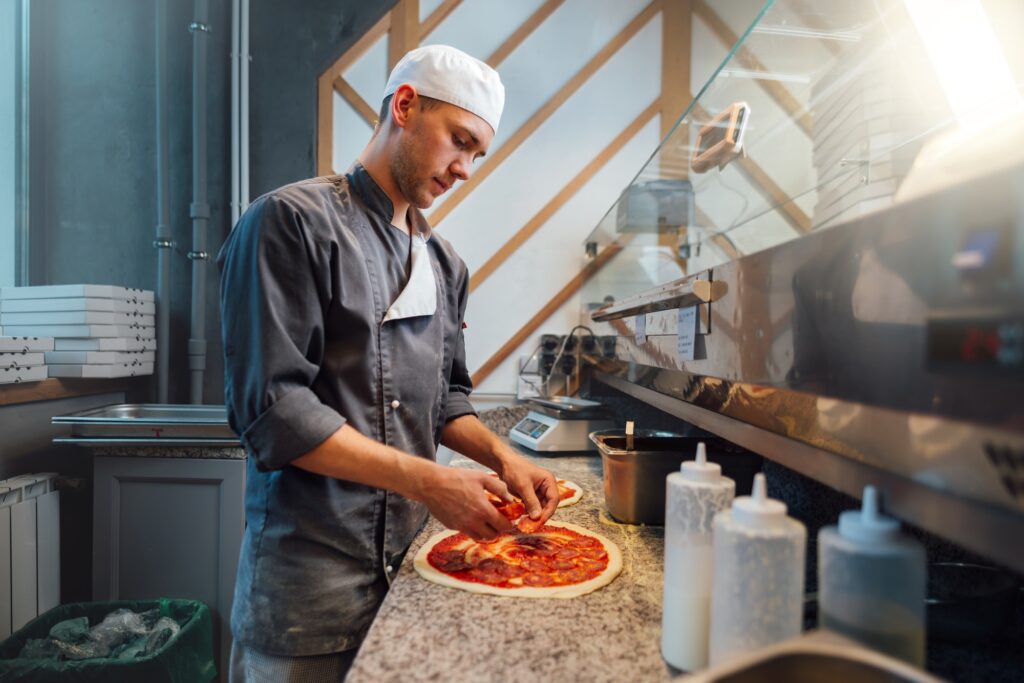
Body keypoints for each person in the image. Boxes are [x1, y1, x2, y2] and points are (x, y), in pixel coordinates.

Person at [217, 44, 560, 681]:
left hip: (409, 576)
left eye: (476, 155)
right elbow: (275, 414)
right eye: (459, 141)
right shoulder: (290, 223)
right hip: (307, 596)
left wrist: (506, 457)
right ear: (404, 106)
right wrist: (429, 481)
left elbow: (446, 398)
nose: (464, 169)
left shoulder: (444, 262)